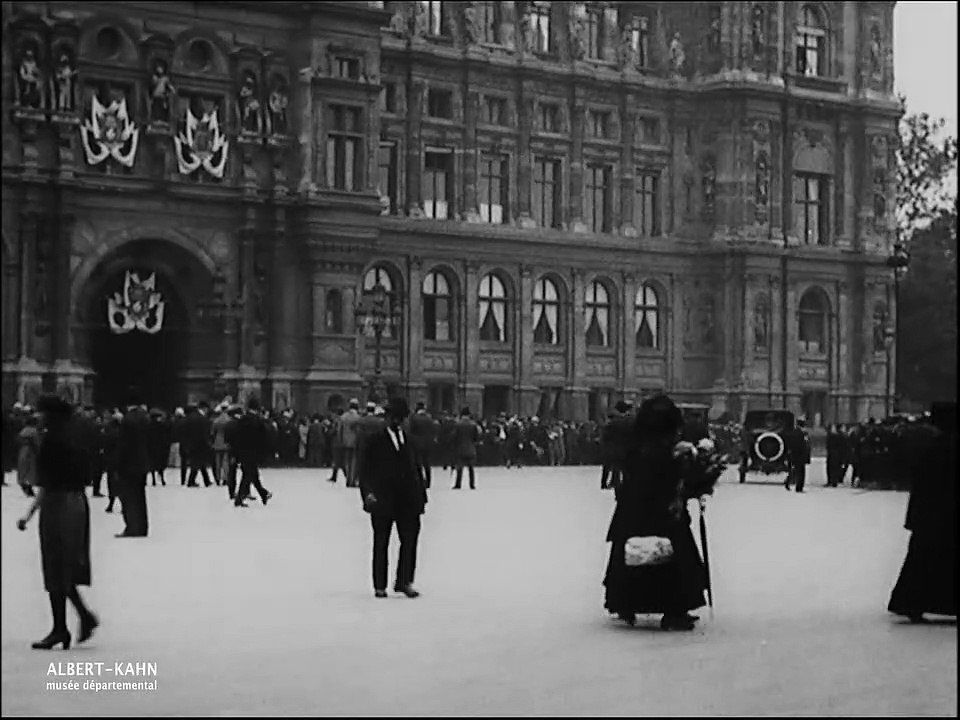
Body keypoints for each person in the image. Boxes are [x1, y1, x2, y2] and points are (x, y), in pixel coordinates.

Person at [602, 394, 709, 631]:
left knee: (630, 556)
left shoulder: (636, 445)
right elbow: (673, 481)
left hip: (633, 513)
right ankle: (673, 609)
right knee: (671, 560)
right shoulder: (670, 450)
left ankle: (626, 603)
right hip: (664, 514)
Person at [16, 395, 99, 650]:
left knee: (55, 566)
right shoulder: (76, 438)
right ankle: (82, 618)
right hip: (77, 505)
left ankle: (61, 628)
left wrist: (28, 515)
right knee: (66, 566)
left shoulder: (52, 443)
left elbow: (46, 484)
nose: (37, 417)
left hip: (57, 505)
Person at [888, 402, 957, 623]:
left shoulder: (931, 446)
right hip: (945, 516)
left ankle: (910, 602)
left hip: (928, 516)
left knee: (921, 560)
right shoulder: (946, 446)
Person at [358, 397, 427, 598]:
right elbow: (365, 470)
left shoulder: (410, 440)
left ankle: (404, 581)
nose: (396, 421)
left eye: (400, 418)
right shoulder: (374, 440)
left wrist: (421, 497)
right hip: (382, 498)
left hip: (408, 499)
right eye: (393, 418)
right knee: (381, 542)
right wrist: (367, 493)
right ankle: (380, 585)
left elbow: (416, 469)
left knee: (410, 541)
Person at [115, 389, 151, 537]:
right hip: (142, 462)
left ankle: (132, 527)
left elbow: (124, 445)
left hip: (129, 464)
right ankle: (142, 526)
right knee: (140, 496)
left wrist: (118, 464)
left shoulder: (127, 419)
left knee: (129, 497)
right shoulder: (145, 417)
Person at [228, 397, 272, 508]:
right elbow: (263, 437)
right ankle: (239, 498)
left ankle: (263, 493)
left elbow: (236, 438)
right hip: (253, 452)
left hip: (242, 452)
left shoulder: (241, 420)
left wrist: (236, 453)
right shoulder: (257, 421)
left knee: (252, 474)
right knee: (248, 475)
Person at [408, 402, 437, 489]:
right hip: (427, 443)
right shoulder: (429, 418)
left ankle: (420, 480)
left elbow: (411, 430)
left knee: (417, 463)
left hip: (417, 443)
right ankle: (428, 481)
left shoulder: (413, 418)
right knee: (427, 463)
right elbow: (433, 430)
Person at [452, 407, 480, 490]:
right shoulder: (473, 425)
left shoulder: (458, 424)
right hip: (470, 448)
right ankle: (472, 484)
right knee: (471, 468)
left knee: (459, 468)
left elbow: (454, 436)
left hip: (460, 448)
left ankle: (458, 484)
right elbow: (476, 437)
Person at [340, 399, 362, 487]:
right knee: (354, 461)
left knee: (347, 461)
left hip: (345, 441)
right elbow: (359, 431)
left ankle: (348, 478)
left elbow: (340, 430)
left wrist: (341, 439)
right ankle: (352, 480)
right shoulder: (358, 418)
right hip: (355, 442)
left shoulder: (343, 416)